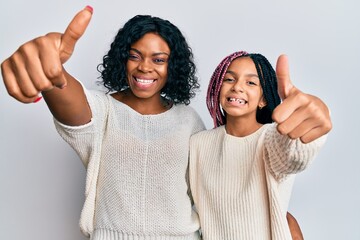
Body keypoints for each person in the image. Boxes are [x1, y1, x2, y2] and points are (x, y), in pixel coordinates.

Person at [1, 7, 331, 240]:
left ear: (172, 67)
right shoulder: (103, 112)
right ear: (122, 59)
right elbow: (72, 104)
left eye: (159, 59)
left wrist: (279, 213)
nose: (146, 67)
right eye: (135, 55)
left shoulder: (189, 122)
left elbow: (244, 174)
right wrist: (50, 78)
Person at [189, 51, 329, 239]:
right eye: (229, 79)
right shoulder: (199, 143)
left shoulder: (272, 138)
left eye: (251, 82)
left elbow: (294, 155)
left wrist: (313, 121)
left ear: (263, 99)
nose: (237, 87)